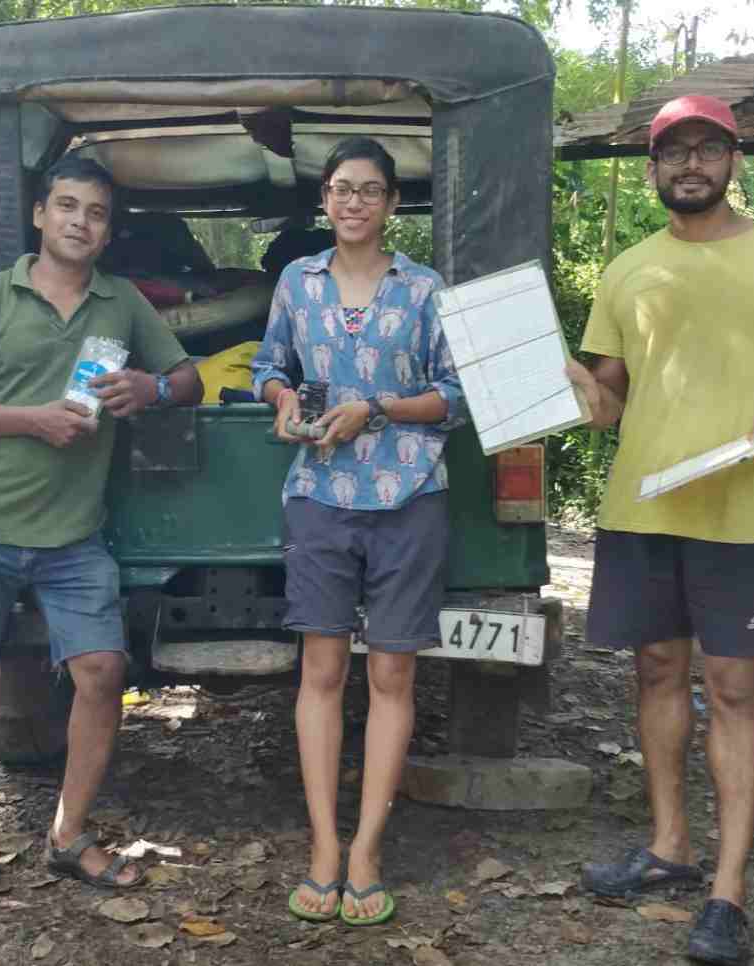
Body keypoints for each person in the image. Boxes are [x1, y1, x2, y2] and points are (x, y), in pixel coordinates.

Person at [568, 95, 754, 966]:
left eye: (707, 150)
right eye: (673, 153)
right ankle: (670, 849)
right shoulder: (626, 270)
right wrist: (559, 384)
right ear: (653, 169)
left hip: (741, 511)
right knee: (657, 671)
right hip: (643, 505)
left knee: (734, 689)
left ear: (732, 164)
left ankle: (727, 891)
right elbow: (612, 398)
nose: (689, 165)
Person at [0, 155, 203, 913]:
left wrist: (152, 387)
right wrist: (31, 420)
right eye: (67, 206)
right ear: (40, 215)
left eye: (97, 212)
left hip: (74, 535)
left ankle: (69, 835)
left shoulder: (122, 302)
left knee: (103, 671)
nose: (81, 221)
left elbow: (190, 382)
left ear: (108, 230)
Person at [251, 136, 465, 926]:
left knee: (393, 679)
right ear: (326, 199)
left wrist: (375, 407)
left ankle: (368, 848)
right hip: (319, 494)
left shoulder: (425, 288)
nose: (352, 203)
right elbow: (266, 365)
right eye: (341, 189)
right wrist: (279, 398)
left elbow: (455, 394)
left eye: (369, 190)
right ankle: (323, 847)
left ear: (392, 204)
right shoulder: (295, 283)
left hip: (410, 495)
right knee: (320, 673)